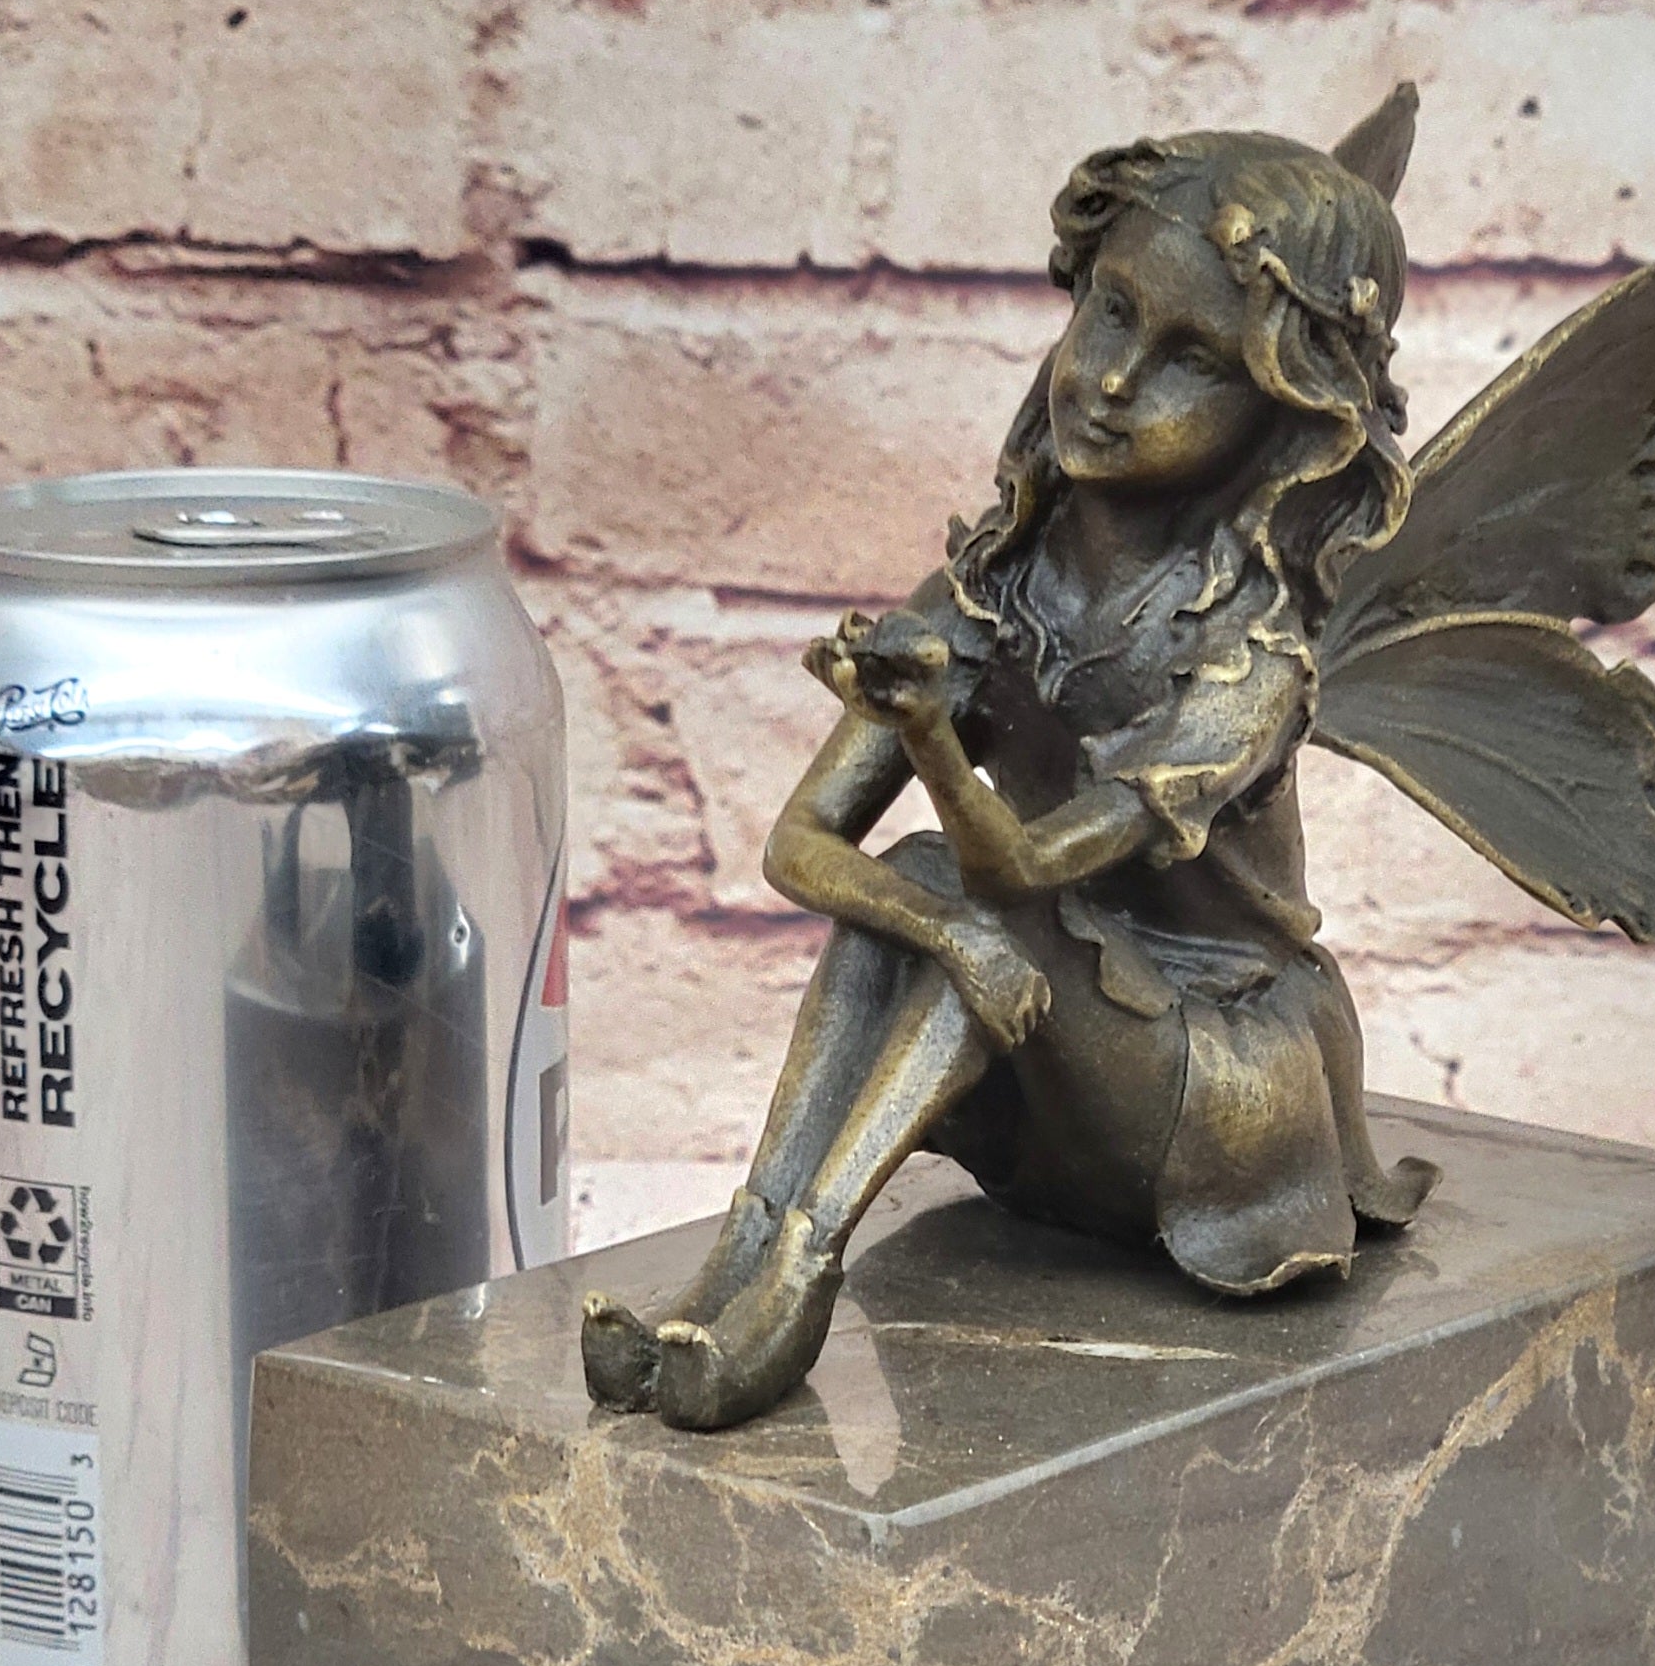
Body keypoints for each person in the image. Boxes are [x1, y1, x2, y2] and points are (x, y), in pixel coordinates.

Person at [585, 115, 1440, 1429]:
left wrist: (935, 744)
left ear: (1281, 422)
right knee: (922, 907)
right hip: (1048, 1069)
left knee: (965, 890)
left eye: (1192, 362)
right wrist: (945, 929)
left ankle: (793, 1285)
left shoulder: (1250, 660)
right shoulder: (990, 593)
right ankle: (733, 1270)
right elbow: (798, 845)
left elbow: (1023, 869)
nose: (1113, 379)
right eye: (1112, 312)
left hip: (1221, 1089)